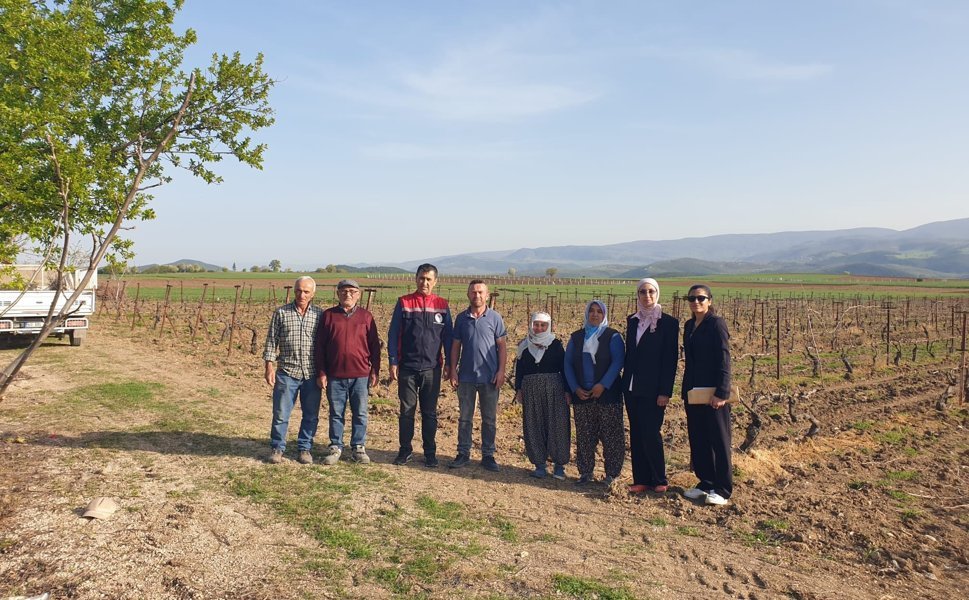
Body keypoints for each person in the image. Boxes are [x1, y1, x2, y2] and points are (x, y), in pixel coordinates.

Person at [387, 264, 453, 467]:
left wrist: (450, 363)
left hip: (432, 369)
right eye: (421, 278)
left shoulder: (442, 305)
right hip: (407, 367)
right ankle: (405, 450)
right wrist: (393, 361)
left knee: (429, 413)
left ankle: (430, 453)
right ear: (416, 279)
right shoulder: (404, 302)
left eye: (428, 279)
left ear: (435, 282)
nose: (424, 282)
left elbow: (448, 337)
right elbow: (393, 333)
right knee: (407, 411)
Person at [315, 279, 381, 465]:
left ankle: (358, 447)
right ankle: (336, 446)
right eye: (344, 291)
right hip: (335, 375)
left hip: (360, 375)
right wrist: (321, 371)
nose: (348, 294)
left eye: (352, 291)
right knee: (336, 413)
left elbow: (374, 346)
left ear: (358, 294)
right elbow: (319, 347)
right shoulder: (328, 316)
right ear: (338, 294)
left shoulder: (366, 317)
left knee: (360, 413)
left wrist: (375, 369)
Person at [621, 278, 678, 494]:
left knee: (651, 432)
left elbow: (670, 360)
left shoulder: (669, 323)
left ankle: (659, 479)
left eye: (651, 291)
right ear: (638, 295)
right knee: (636, 432)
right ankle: (641, 479)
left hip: (654, 390)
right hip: (632, 387)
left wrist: (665, 391)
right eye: (643, 292)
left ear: (658, 293)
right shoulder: (632, 320)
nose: (647, 296)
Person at [680, 284, 734, 506]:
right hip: (694, 392)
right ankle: (706, 482)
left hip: (714, 393)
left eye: (701, 298)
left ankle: (722, 488)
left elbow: (724, 358)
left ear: (710, 301)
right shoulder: (689, 325)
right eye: (692, 298)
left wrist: (722, 392)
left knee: (719, 440)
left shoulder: (716, 324)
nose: (696, 302)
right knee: (699, 438)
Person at [263, 276, 324, 464]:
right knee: (281, 413)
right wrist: (269, 366)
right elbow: (272, 341)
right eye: (298, 290)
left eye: (306, 291)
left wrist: (324, 371)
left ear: (313, 293)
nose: (301, 295)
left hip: (311, 373)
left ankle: (305, 448)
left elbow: (325, 345)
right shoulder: (281, 313)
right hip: (287, 372)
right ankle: (277, 447)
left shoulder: (320, 315)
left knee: (311, 414)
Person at [448, 280, 508, 471]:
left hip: (489, 378)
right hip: (466, 377)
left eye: (481, 292)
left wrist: (501, 371)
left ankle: (488, 455)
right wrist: (453, 370)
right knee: (465, 418)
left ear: (487, 295)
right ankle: (463, 452)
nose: (477, 296)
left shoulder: (495, 318)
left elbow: (502, 347)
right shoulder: (461, 319)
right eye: (474, 292)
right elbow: (455, 346)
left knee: (489, 419)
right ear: (468, 295)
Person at [564, 300, 625, 485]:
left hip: (608, 395)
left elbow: (618, 362)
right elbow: (567, 364)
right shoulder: (576, 337)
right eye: (591, 311)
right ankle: (585, 473)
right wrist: (575, 388)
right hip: (582, 395)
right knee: (584, 435)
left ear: (604, 315)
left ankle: (611, 475)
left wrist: (603, 385)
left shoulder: (613, 336)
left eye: (599, 311)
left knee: (612, 435)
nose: (595, 314)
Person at [514, 311, 570, 480]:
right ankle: (539, 464)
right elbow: (520, 370)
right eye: (536, 325)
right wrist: (519, 389)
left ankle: (559, 465)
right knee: (533, 424)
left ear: (548, 326)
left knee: (557, 424)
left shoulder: (555, 345)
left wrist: (568, 391)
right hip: (530, 389)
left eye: (543, 325)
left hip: (554, 389)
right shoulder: (524, 345)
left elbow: (564, 369)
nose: (539, 328)